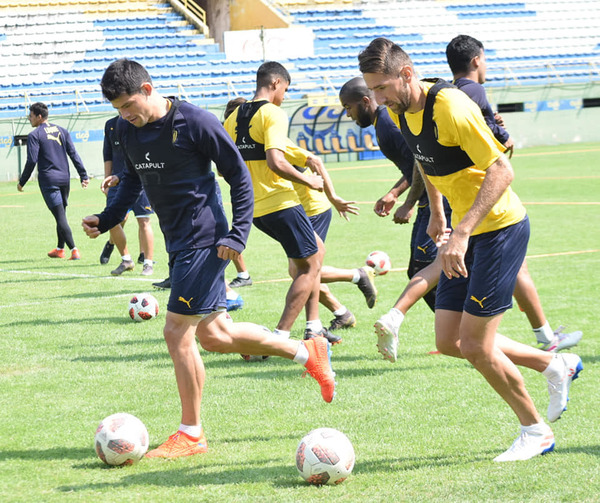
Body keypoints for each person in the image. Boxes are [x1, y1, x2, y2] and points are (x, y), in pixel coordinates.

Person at [82, 59, 336, 458]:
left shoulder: (195, 121)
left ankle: (191, 433)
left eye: (129, 105)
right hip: (178, 242)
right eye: (118, 110)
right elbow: (131, 181)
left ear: (148, 90)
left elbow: (238, 174)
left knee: (176, 332)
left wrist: (238, 233)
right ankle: (308, 353)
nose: (126, 115)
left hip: (207, 239)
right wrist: (108, 217)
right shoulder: (127, 132)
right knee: (216, 335)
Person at [358, 38, 582, 462]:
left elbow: (502, 169)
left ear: (407, 75)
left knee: (477, 346)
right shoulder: (400, 109)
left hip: (498, 229)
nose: (377, 98)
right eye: (372, 90)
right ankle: (554, 364)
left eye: (382, 87)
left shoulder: (452, 107)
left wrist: (460, 232)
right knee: (449, 340)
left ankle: (535, 431)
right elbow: (426, 159)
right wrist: (436, 212)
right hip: (464, 228)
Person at [446, 34, 582, 352]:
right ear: (477, 60)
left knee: (518, 266)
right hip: (483, 201)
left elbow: (478, 129)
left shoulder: (451, 95)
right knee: (469, 334)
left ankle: (545, 336)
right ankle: (544, 346)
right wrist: (502, 135)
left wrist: (492, 124)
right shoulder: (473, 89)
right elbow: (493, 144)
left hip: (466, 197)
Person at [225, 96, 376, 336]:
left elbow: (313, 160)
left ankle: (353, 282)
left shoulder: (274, 140)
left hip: (311, 207)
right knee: (304, 270)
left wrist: (333, 196)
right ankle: (335, 315)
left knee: (304, 270)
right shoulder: (247, 144)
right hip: (286, 208)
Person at [223, 62, 331, 343]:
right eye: (286, 89)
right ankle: (281, 335)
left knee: (314, 253)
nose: (284, 95)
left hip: (252, 210)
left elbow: (224, 169)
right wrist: (310, 182)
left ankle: (315, 327)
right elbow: (276, 161)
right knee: (309, 267)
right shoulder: (273, 113)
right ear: (275, 84)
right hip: (280, 203)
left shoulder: (232, 118)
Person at [17, 102, 89, 260]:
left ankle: (74, 249)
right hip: (65, 179)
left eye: (31, 116)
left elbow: (31, 161)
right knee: (60, 214)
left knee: (60, 216)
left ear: (39, 116)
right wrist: (83, 175)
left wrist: (22, 181)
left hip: (49, 181)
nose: (29, 119)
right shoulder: (62, 131)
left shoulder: (35, 135)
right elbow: (73, 153)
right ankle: (60, 248)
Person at [100, 115, 156, 276]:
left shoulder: (142, 121)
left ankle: (148, 263)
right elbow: (108, 154)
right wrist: (107, 179)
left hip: (140, 179)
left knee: (144, 220)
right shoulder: (110, 124)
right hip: (117, 182)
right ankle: (126, 259)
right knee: (112, 220)